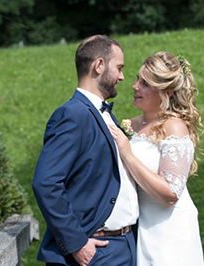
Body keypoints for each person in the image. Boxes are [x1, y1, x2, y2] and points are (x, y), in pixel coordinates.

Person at [32, 35, 139, 266]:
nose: (122, 76)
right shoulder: (71, 115)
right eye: (119, 68)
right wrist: (77, 243)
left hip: (126, 244)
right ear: (99, 65)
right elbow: (46, 183)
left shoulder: (106, 114)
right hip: (96, 251)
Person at [108, 52, 204, 265]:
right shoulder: (130, 126)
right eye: (137, 78)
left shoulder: (175, 128)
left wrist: (127, 153)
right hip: (139, 227)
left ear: (167, 92)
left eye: (145, 83)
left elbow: (171, 194)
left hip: (169, 231)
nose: (134, 86)